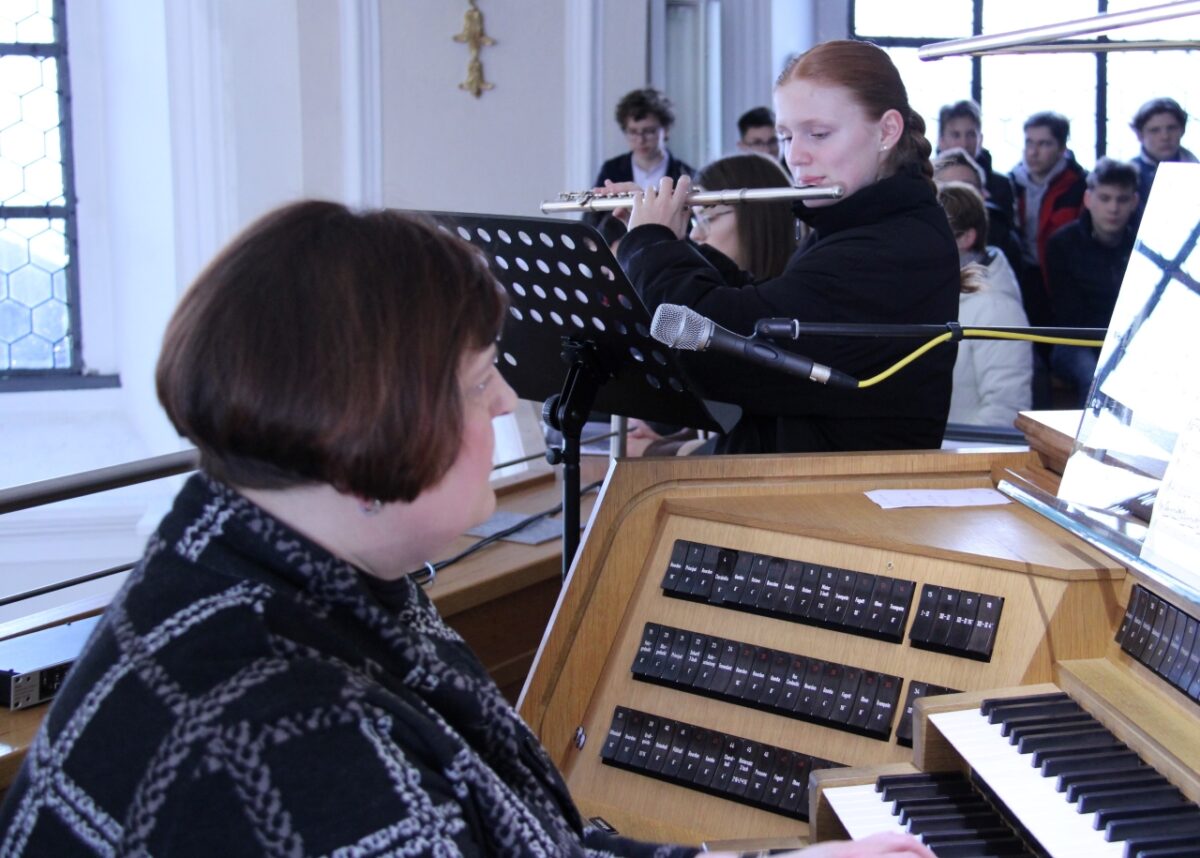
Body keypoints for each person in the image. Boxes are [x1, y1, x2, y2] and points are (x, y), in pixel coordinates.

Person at [0, 200, 934, 858]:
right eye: (481, 374)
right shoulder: (290, 742)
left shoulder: (267, 568)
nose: (503, 398)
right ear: (371, 426)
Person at [614, 40, 962, 455]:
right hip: (797, 477)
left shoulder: (891, 248)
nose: (795, 156)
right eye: (786, 135)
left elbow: (722, 351)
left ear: (886, 131)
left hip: (836, 489)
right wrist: (669, 237)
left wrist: (650, 245)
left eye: (818, 134)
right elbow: (763, 307)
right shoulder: (860, 222)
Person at [627, 152, 798, 456]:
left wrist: (661, 450)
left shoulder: (783, 311)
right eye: (693, 220)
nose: (696, 233)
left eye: (708, 217)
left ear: (758, 218)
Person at [1046, 158, 1140, 406]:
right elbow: (1070, 315)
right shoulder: (1062, 244)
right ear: (1088, 199)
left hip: (1129, 339)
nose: (1113, 208)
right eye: (1105, 198)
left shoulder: (1142, 246)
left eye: (1122, 199)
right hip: (1074, 341)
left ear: (1134, 202)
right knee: (1095, 377)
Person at [937, 182, 1032, 428]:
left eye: (933, 233)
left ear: (966, 238)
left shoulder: (998, 310)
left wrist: (947, 450)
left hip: (958, 451)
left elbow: (1005, 410)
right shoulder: (936, 293)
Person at [1009, 110, 1088, 329]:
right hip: (1022, 276)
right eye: (1029, 142)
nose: (1033, 152)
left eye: (1044, 144)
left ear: (1062, 148)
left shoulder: (1079, 186)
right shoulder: (1010, 184)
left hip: (1064, 279)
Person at [587, 88, 695, 246]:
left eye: (649, 131)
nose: (640, 140)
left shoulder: (685, 174)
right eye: (633, 132)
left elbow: (692, 230)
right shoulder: (611, 169)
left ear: (665, 130)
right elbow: (592, 222)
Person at [936, 99, 1017, 255]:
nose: (964, 143)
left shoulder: (1001, 185)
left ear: (980, 139)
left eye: (971, 134)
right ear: (941, 140)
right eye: (956, 135)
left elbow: (1007, 235)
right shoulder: (924, 180)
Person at [933, 147, 1022, 275]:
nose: (957, 198)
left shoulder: (1005, 242)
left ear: (983, 195)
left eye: (967, 188)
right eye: (947, 190)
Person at [1129, 96, 1196, 223]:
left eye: (1171, 128)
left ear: (1182, 130)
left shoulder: (1195, 170)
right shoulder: (1128, 176)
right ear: (1140, 135)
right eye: (1155, 130)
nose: (1165, 137)